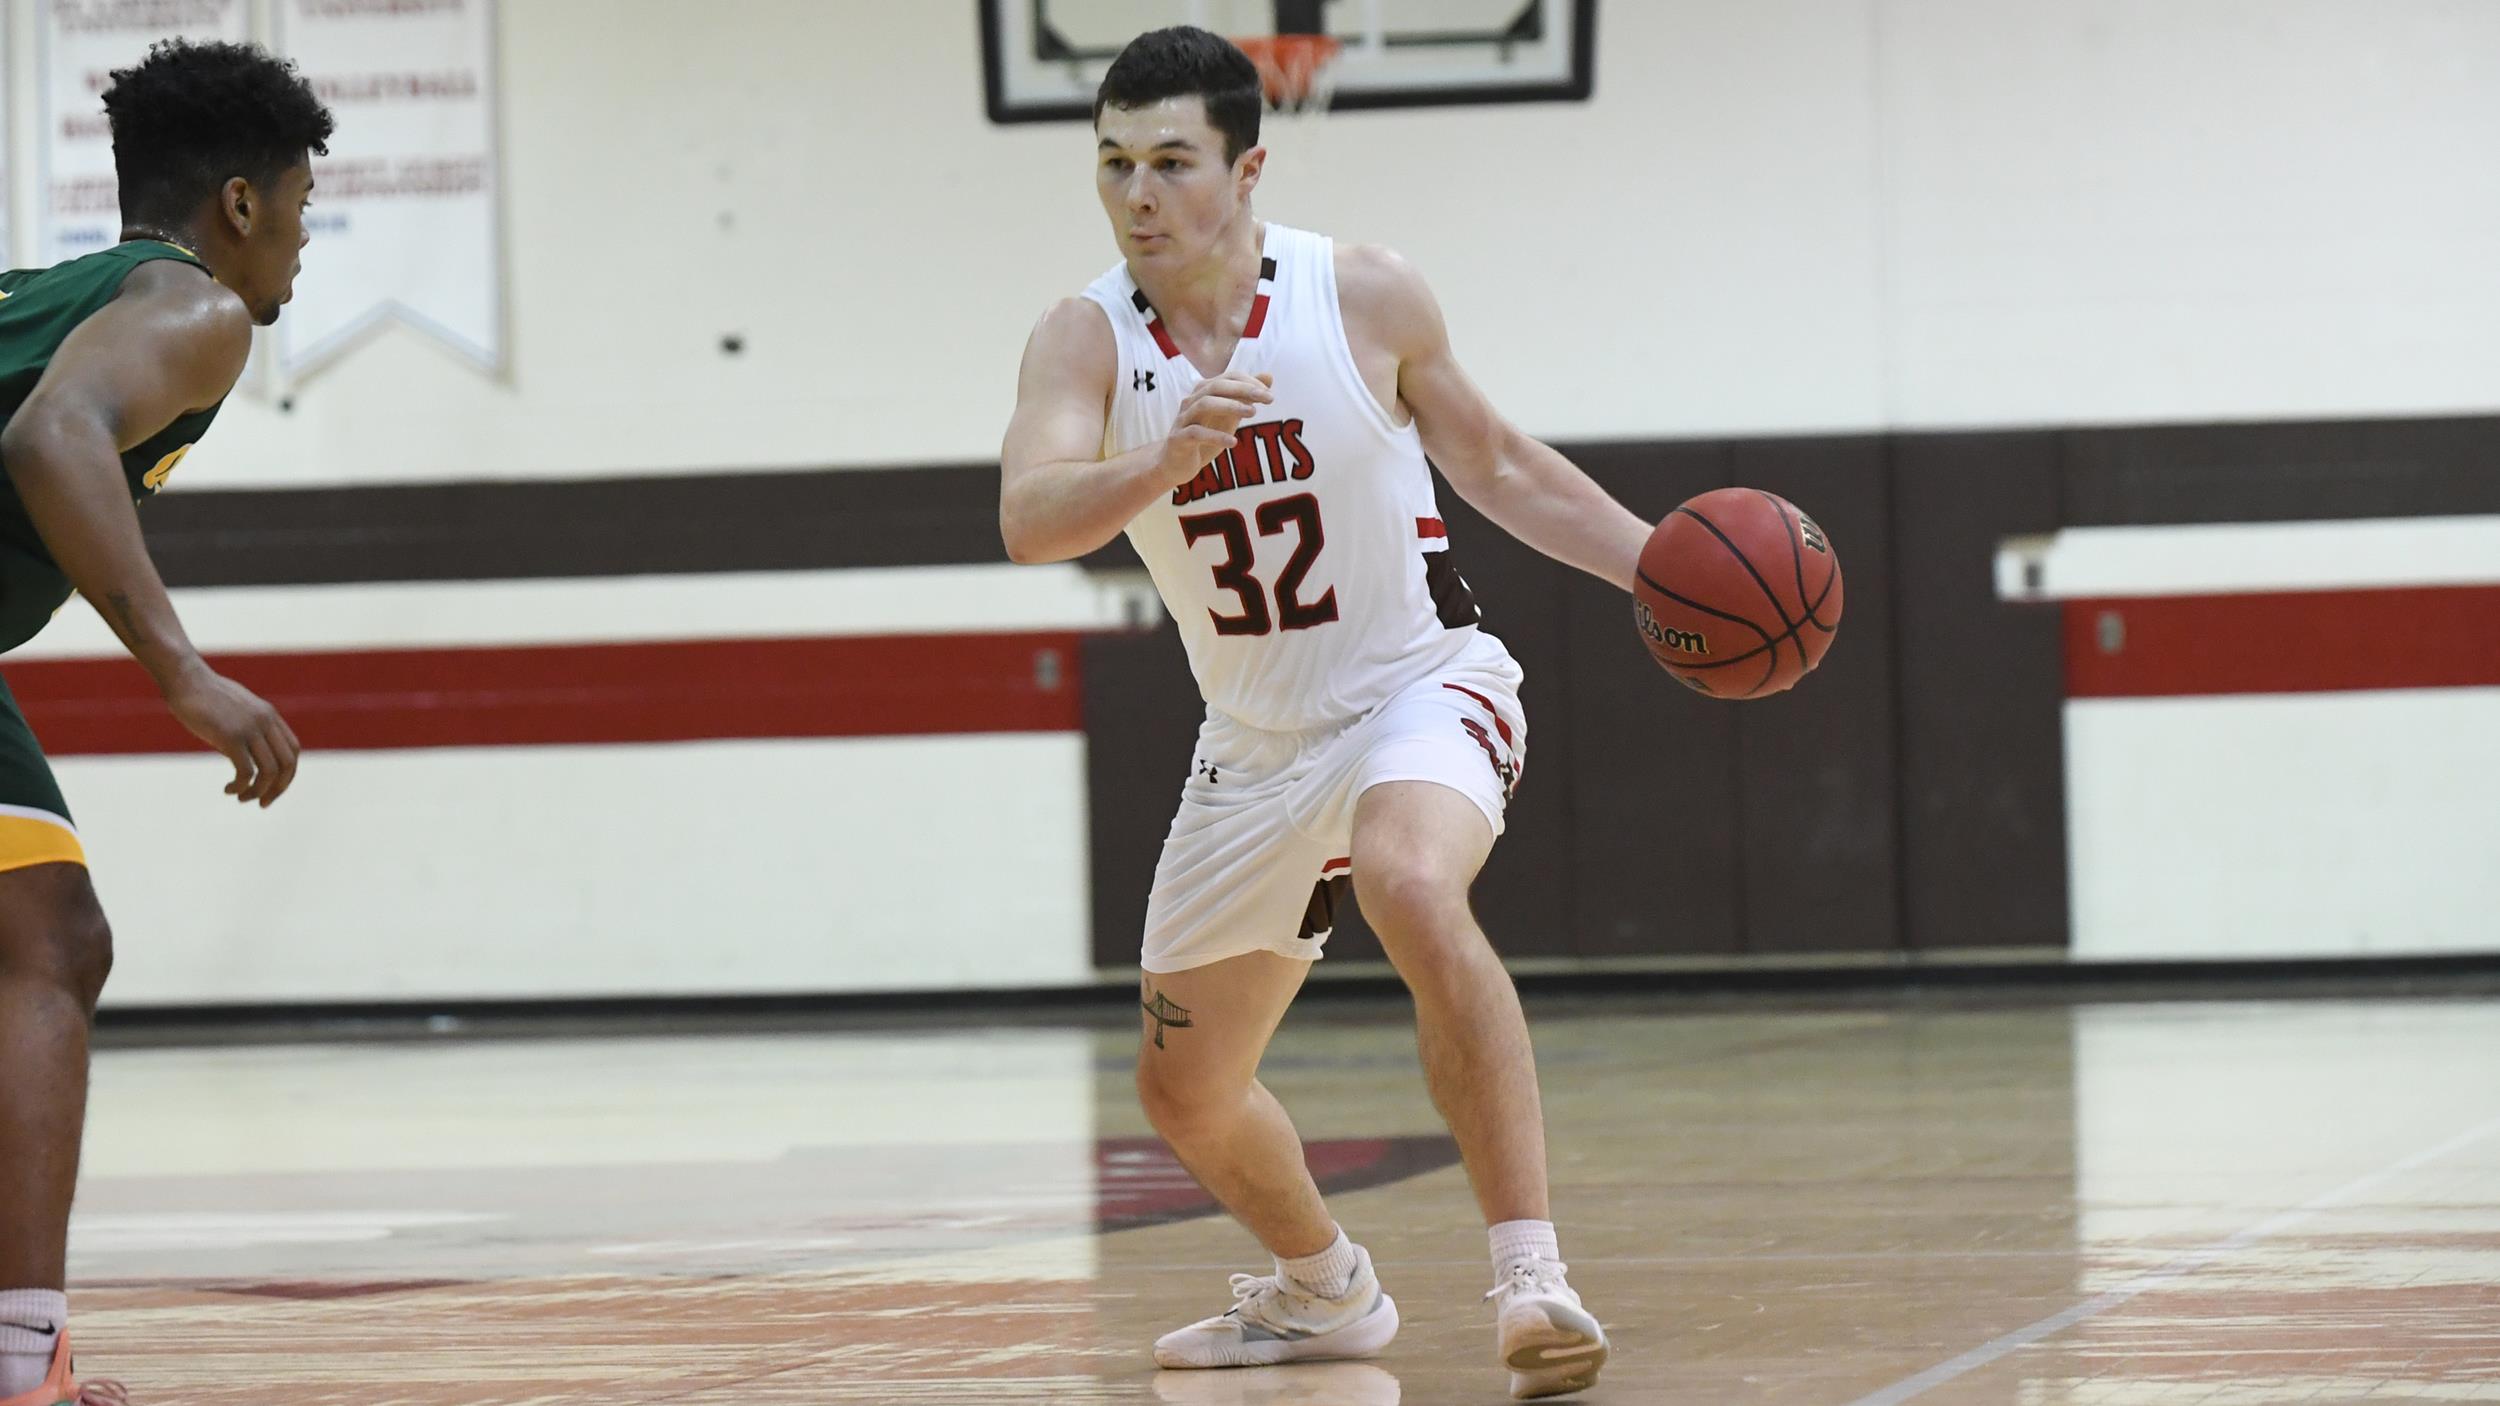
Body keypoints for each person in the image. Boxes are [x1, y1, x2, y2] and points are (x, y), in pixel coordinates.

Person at [999, 26, 1652, 1401]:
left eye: (1172, 162)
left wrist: (1653, 564)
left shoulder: (1359, 293)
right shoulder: (1084, 338)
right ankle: (1324, 1288)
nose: (1137, 194)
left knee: (1411, 881)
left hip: (1420, 684)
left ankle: (1531, 1276)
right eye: (1113, 164)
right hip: (1251, 746)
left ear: (1246, 170)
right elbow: (1030, 516)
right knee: (1184, 1092)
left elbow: (1499, 463)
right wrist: (1161, 458)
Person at [0, 40, 330, 1406]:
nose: (303, 247)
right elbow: (51, 438)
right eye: (301, 210)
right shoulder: (200, 309)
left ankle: (22, 1355)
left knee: (46, 937)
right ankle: (19, 1364)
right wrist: (184, 672)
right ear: (240, 204)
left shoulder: (48, 292)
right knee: (46, 948)